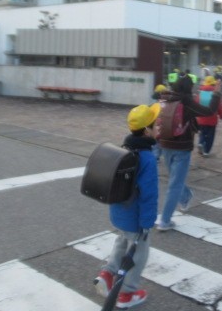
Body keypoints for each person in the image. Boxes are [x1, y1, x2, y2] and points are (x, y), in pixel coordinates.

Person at [93, 103, 160, 309]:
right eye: (156, 124)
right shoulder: (147, 159)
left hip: (119, 213)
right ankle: (127, 294)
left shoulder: (125, 150)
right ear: (147, 131)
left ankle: (107, 274)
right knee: (139, 254)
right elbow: (149, 196)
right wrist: (147, 223)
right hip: (135, 219)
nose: (159, 127)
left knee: (122, 242)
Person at [155, 75, 221, 231]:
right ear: (189, 88)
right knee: (175, 184)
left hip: (165, 143)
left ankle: (185, 197)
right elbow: (209, 111)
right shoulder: (186, 102)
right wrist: (217, 93)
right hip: (182, 147)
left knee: (174, 179)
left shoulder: (164, 98)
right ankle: (165, 221)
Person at [195, 76, 222, 157]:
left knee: (202, 132)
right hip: (212, 119)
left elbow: (196, 104)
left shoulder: (200, 93)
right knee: (210, 136)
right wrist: (221, 115)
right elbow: (219, 106)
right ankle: (206, 151)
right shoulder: (215, 94)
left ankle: (201, 142)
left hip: (201, 118)